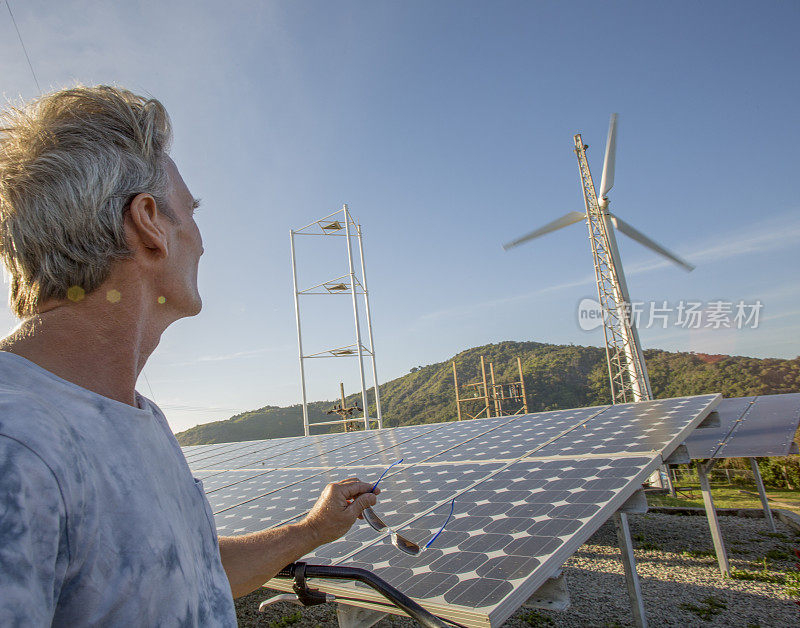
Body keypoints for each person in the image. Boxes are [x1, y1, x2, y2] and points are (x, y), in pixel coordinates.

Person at [0, 85, 379, 626]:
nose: (201, 239)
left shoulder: (132, 417)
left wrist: (314, 529)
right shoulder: (17, 446)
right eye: (191, 210)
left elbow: (193, 573)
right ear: (149, 221)